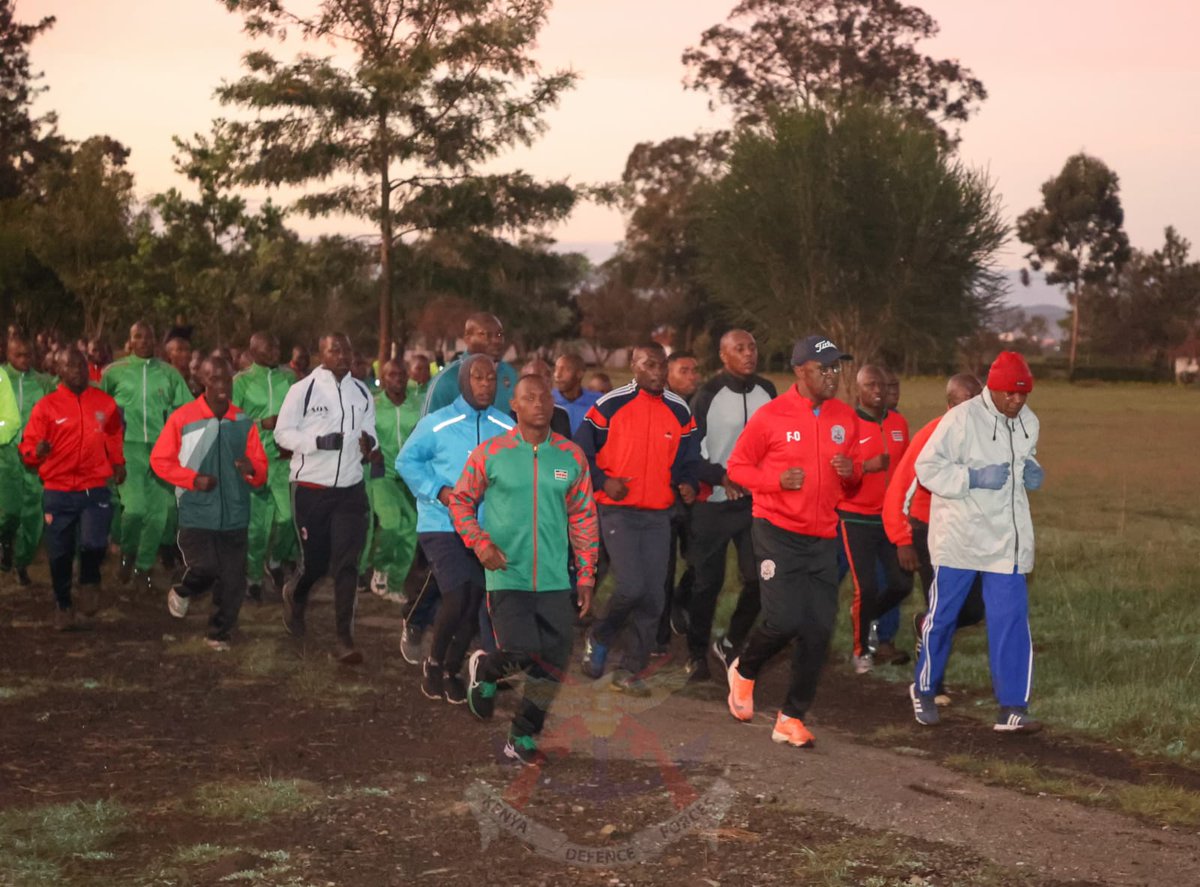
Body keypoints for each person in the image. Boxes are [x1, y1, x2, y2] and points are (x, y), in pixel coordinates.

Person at [452, 374, 600, 766]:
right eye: (529, 398)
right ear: (513, 406)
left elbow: (584, 517)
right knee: (522, 650)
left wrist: (586, 574)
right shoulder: (491, 453)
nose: (539, 404)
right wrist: (480, 544)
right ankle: (486, 668)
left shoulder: (570, 457)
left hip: (554, 578)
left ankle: (522, 737)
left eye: (544, 398)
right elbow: (461, 502)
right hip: (507, 573)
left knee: (552, 664)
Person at [724, 335, 861, 749]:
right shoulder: (771, 416)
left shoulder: (845, 417)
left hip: (822, 535)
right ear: (801, 371)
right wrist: (775, 481)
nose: (834, 376)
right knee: (784, 621)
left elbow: (851, 483)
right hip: (777, 531)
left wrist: (850, 470)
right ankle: (744, 671)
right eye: (825, 368)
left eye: (838, 367)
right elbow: (737, 467)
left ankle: (791, 717)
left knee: (818, 630)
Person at [910, 351, 1043, 733]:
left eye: (1024, 395)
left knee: (1011, 621)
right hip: (961, 539)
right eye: (1011, 395)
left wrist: (1031, 470)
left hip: (1007, 542)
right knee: (944, 617)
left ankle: (1012, 708)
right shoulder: (961, 419)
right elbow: (927, 467)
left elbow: (1023, 463)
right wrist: (971, 477)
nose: (1018, 402)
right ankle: (923, 688)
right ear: (993, 390)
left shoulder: (1028, 422)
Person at [576, 344, 699, 695]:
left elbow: (689, 458)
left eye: (662, 366)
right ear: (634, 365)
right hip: (618, 511)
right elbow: (581, 450)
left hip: (659, 514)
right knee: (631, 586)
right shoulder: (610, 405)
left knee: (655, 597)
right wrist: (603, 481)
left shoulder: (679, 410)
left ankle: (630, 670)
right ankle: (600, 635)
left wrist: (688, 483)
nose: (657, 372)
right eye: (650, 365)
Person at [398, 354, 514, 702]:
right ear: (463, 381)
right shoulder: (438, 423)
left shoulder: (506, 426)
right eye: (477, 378)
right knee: (458, 593)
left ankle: (452, 669)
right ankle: (433, 664)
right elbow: (406, 461)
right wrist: (439, 491)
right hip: (441, 522)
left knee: (475, 597)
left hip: (484, 527)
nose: (485, 384)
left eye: (491, 379)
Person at [273, 332, 378, 664]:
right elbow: (282, 433)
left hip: (350, 490)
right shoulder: (302, 390)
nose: (344, 355)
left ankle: (344, 638)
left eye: (347, 349)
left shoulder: (361, 391)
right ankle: (295, 593)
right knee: (316, 564)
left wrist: (369, 444)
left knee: (347, 564)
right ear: (321, 354)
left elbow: (371, 431)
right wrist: (317, 442)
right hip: (310, 489)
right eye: (336, 350)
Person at [151, 357, 268, 650]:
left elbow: (260, 468)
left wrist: (251, 470)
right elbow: (160, 460)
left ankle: (218, 633)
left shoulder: (242, 422)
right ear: (202, 381)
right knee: (206, 567)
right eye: (213, 379)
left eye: (226, 379)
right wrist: (192, 480)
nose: (221, 386)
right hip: (197, 513)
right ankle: (183, 589)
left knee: (233, 581)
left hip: (235, 514)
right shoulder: (184, 418)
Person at [883, 373, 985, 704]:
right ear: (950, 404)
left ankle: (925, 624)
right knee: (945, 607)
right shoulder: (932, 436)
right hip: (930, 531)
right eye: (965, 401)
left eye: (978, 399)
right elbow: (899, 490)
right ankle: (932, 686)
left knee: (975, 608)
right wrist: (902, 539)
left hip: (967, 532)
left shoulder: (987, 436)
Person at [683, 330, 776, 680]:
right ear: (723, 356)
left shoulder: (767, 390)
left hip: (755, 503)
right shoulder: (708, 394)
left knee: (759, 579)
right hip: (714, 502)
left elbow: (774, 444)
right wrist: (723, 477)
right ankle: (695, 654)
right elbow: (692, 451)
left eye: (752, 346)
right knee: (708, 583)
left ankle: (730, 640)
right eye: (739, 349)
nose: (749, 353)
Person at [19, 348, 125, 629]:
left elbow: (114, 432)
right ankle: (63, 604)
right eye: (70, 366)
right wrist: (36, 452)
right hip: (58, 489)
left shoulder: (104, 403)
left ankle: (90, 580)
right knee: (60, 553)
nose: (77, 370)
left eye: (81, 365)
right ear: (60, 371)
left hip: (94, 487)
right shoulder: (47, 407)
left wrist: (117, 461)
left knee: (94, 543)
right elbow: (29, 447)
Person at [101, 321, 192, 591]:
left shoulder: (168, 373)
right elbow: (99, 409)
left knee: (159, 514)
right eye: (137, 337)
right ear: (129, 341)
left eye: (148, 337)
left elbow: (185, 411)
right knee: (135, 509)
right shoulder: (113, 373)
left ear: (155, 341)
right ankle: (127, 553)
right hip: (128, 448)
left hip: (162, 450)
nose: (143, 341)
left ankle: (143, 567)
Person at [838, 364, 913, 674]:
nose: (878, 390)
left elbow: (906, 472)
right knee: (866, 588)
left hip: (890, 519)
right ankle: (860, 651)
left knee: (901, 584)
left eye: (882, 385)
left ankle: (866, 621)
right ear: (858, 390)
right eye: (870, 385)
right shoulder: (847, 425)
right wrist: (865, 467)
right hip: (856, 519)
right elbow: (838, 475)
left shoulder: (898, 423)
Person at [232, 332, 298, 601]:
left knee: (288, 518)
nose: (275, 350)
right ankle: (253, 579)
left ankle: (275, 560)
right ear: (254, 350)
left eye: (277, 345)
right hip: (255, 460)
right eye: (269, 346)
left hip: (284, 461)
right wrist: (261, 424)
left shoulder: (290, 379)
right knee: (257, 527)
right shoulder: (242, 382)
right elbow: (231, 419)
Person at [360, 359, 420, 599]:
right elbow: (361, 435)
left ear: (407, 377)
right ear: (383, 378)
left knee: (412, 526)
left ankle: (394, 583)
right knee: (392, 522)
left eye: (401, 374)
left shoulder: (417, 405)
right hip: (381, 473)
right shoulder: (373, 405)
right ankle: (380, 568)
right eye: (391, 375)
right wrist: (366, 450)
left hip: (408, 476)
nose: (397, 379)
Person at [655, 351, 702, 656]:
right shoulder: (659, 405)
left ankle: (680, 602)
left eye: (695, 371)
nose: (692, 376)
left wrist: (692, 483)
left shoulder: (701, 403)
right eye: (684, 370)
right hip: (660, 500)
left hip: (693, 499)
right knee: (664, 569)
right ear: (667, 374)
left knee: (700, 560)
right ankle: (659, 638)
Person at [0, 335, 54, 585]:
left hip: (36, 457)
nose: (23, 360)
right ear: (7, 353)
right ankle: (5, 541)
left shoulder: (43, 383)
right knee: (9, 510)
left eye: (27, 355)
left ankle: (22, 563)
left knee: (34, 516)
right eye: (17, 355)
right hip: (5, 453)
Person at [422, 313, 519, 416]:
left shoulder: (510, 374)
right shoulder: (446, 379)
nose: (496, 340)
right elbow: (426, 427)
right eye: (487, 335)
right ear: (467, 338)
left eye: (499, 335)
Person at [518, 358, 571, 437]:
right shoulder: (513, 418)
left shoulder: (561, 415)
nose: (544, 382)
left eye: (548, 376)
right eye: (537, 377)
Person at [552, 353, 600, 436]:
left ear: (579, 374)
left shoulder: (598, 402)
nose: (557, 375)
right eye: (556, 369)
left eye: (565, 370)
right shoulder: (548, 400)